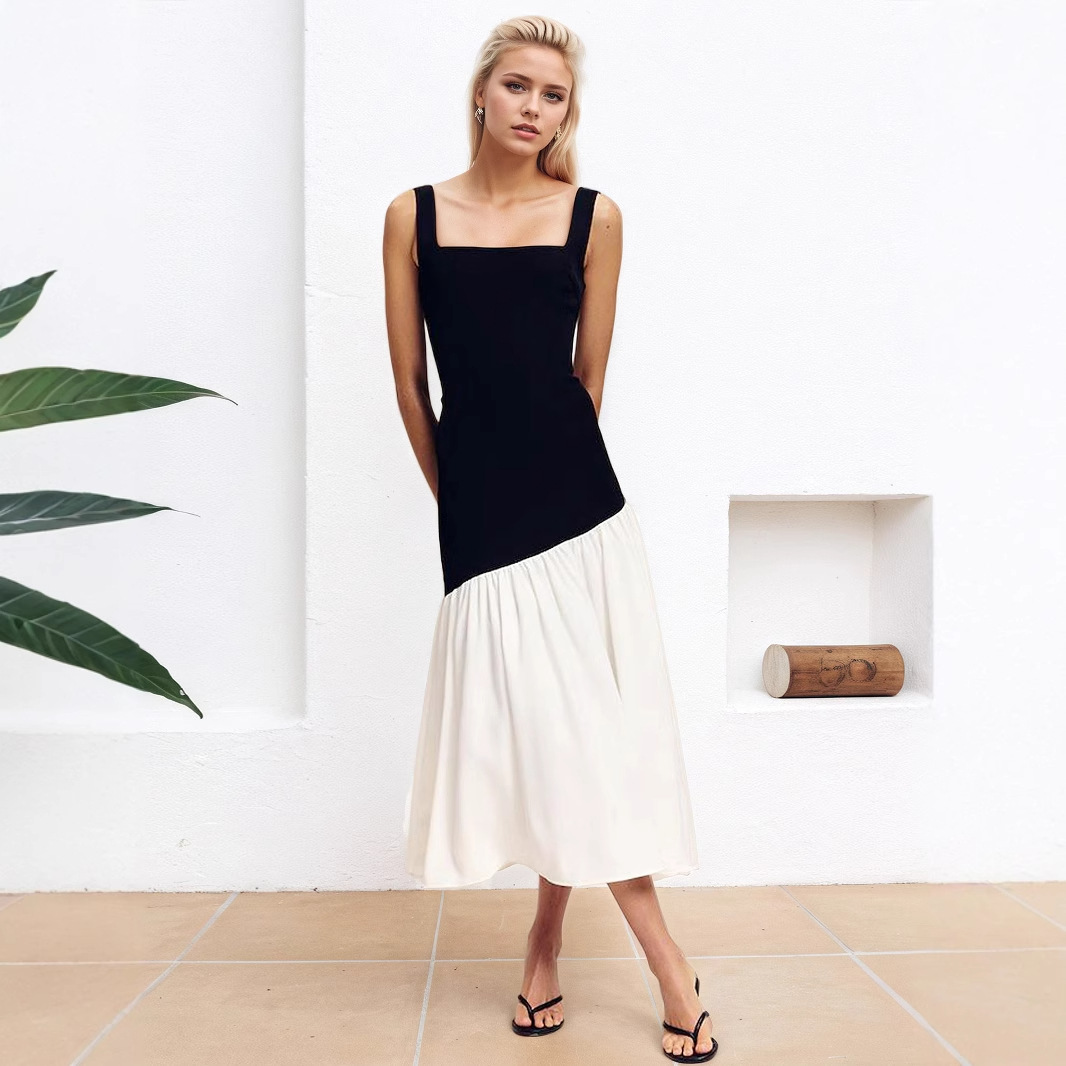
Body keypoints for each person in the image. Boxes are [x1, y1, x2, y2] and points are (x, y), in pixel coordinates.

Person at [381, 15, 718, 1063]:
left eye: (554, 95)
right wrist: (460, 501)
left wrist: (541, 490)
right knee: (546, 734)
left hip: (578, 508)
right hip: (480, 514)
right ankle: (561, 941)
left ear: (568, 114)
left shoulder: (593, 217)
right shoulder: (412, 216)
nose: (534, 107)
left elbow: (588, 380)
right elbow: (411, 386)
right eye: (519, 86)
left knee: (578, 737)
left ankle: (642, 959)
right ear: (482, 94)